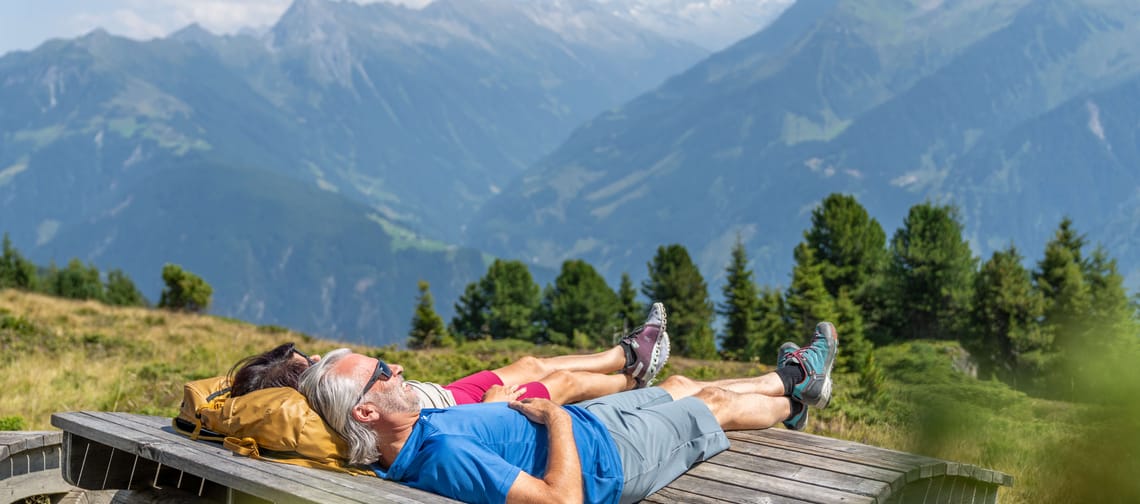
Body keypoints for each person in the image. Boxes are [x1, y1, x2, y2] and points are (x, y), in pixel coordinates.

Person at [298, 321, 839, 504]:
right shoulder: (439, 452)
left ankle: (795, 387)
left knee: (676, 382)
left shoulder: (416, 432)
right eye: (382, 373)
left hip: (592, 427)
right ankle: (794, 390)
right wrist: (555, 416)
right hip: (611, 459)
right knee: (713, 405)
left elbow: (485, 438)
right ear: (367, 412)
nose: (396, 370)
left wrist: (498, 409)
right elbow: (562, 500)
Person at [228, 303, 671, 407]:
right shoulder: (335, 401)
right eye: (307, 364)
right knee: (565, 386)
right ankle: (634, 379)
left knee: (531, 364)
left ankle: (625, 353)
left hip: (440, 393)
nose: (317, 358)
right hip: (458, 409)